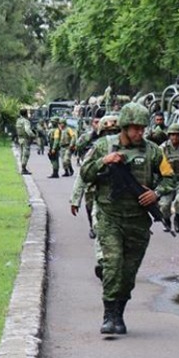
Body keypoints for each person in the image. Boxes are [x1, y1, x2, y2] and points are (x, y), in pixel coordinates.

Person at [80, 103, 174, 335]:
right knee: (113, 265)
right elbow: (85, 173)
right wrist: (105, 161)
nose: (140, 133)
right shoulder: (103, 146)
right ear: (124, 127)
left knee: (128, 272)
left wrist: (156, 193)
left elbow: (170, 179)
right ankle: (109, 315)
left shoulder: (154, 151)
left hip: (138, 221)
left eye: (142, 129)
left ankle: (119, 312)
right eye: (135, 129)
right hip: (110, 217)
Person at [71, 115, 120, 279]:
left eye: (114, 131)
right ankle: (102, 261)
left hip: (124, 200)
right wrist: (75, 199)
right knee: (100, 228)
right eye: (107, 132)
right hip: (101, 196)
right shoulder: (97, 149)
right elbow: (83, 174)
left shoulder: (130, 149)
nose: (110, 135)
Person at [15, 109, 36, 174]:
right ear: (26, 113)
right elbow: (27, 130)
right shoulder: (26, 121)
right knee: (26, 154)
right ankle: (23, 169)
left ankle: (23, 167)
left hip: (20, 138)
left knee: (22, 153)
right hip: (25, 139)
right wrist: (33, 135)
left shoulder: (18, 121)